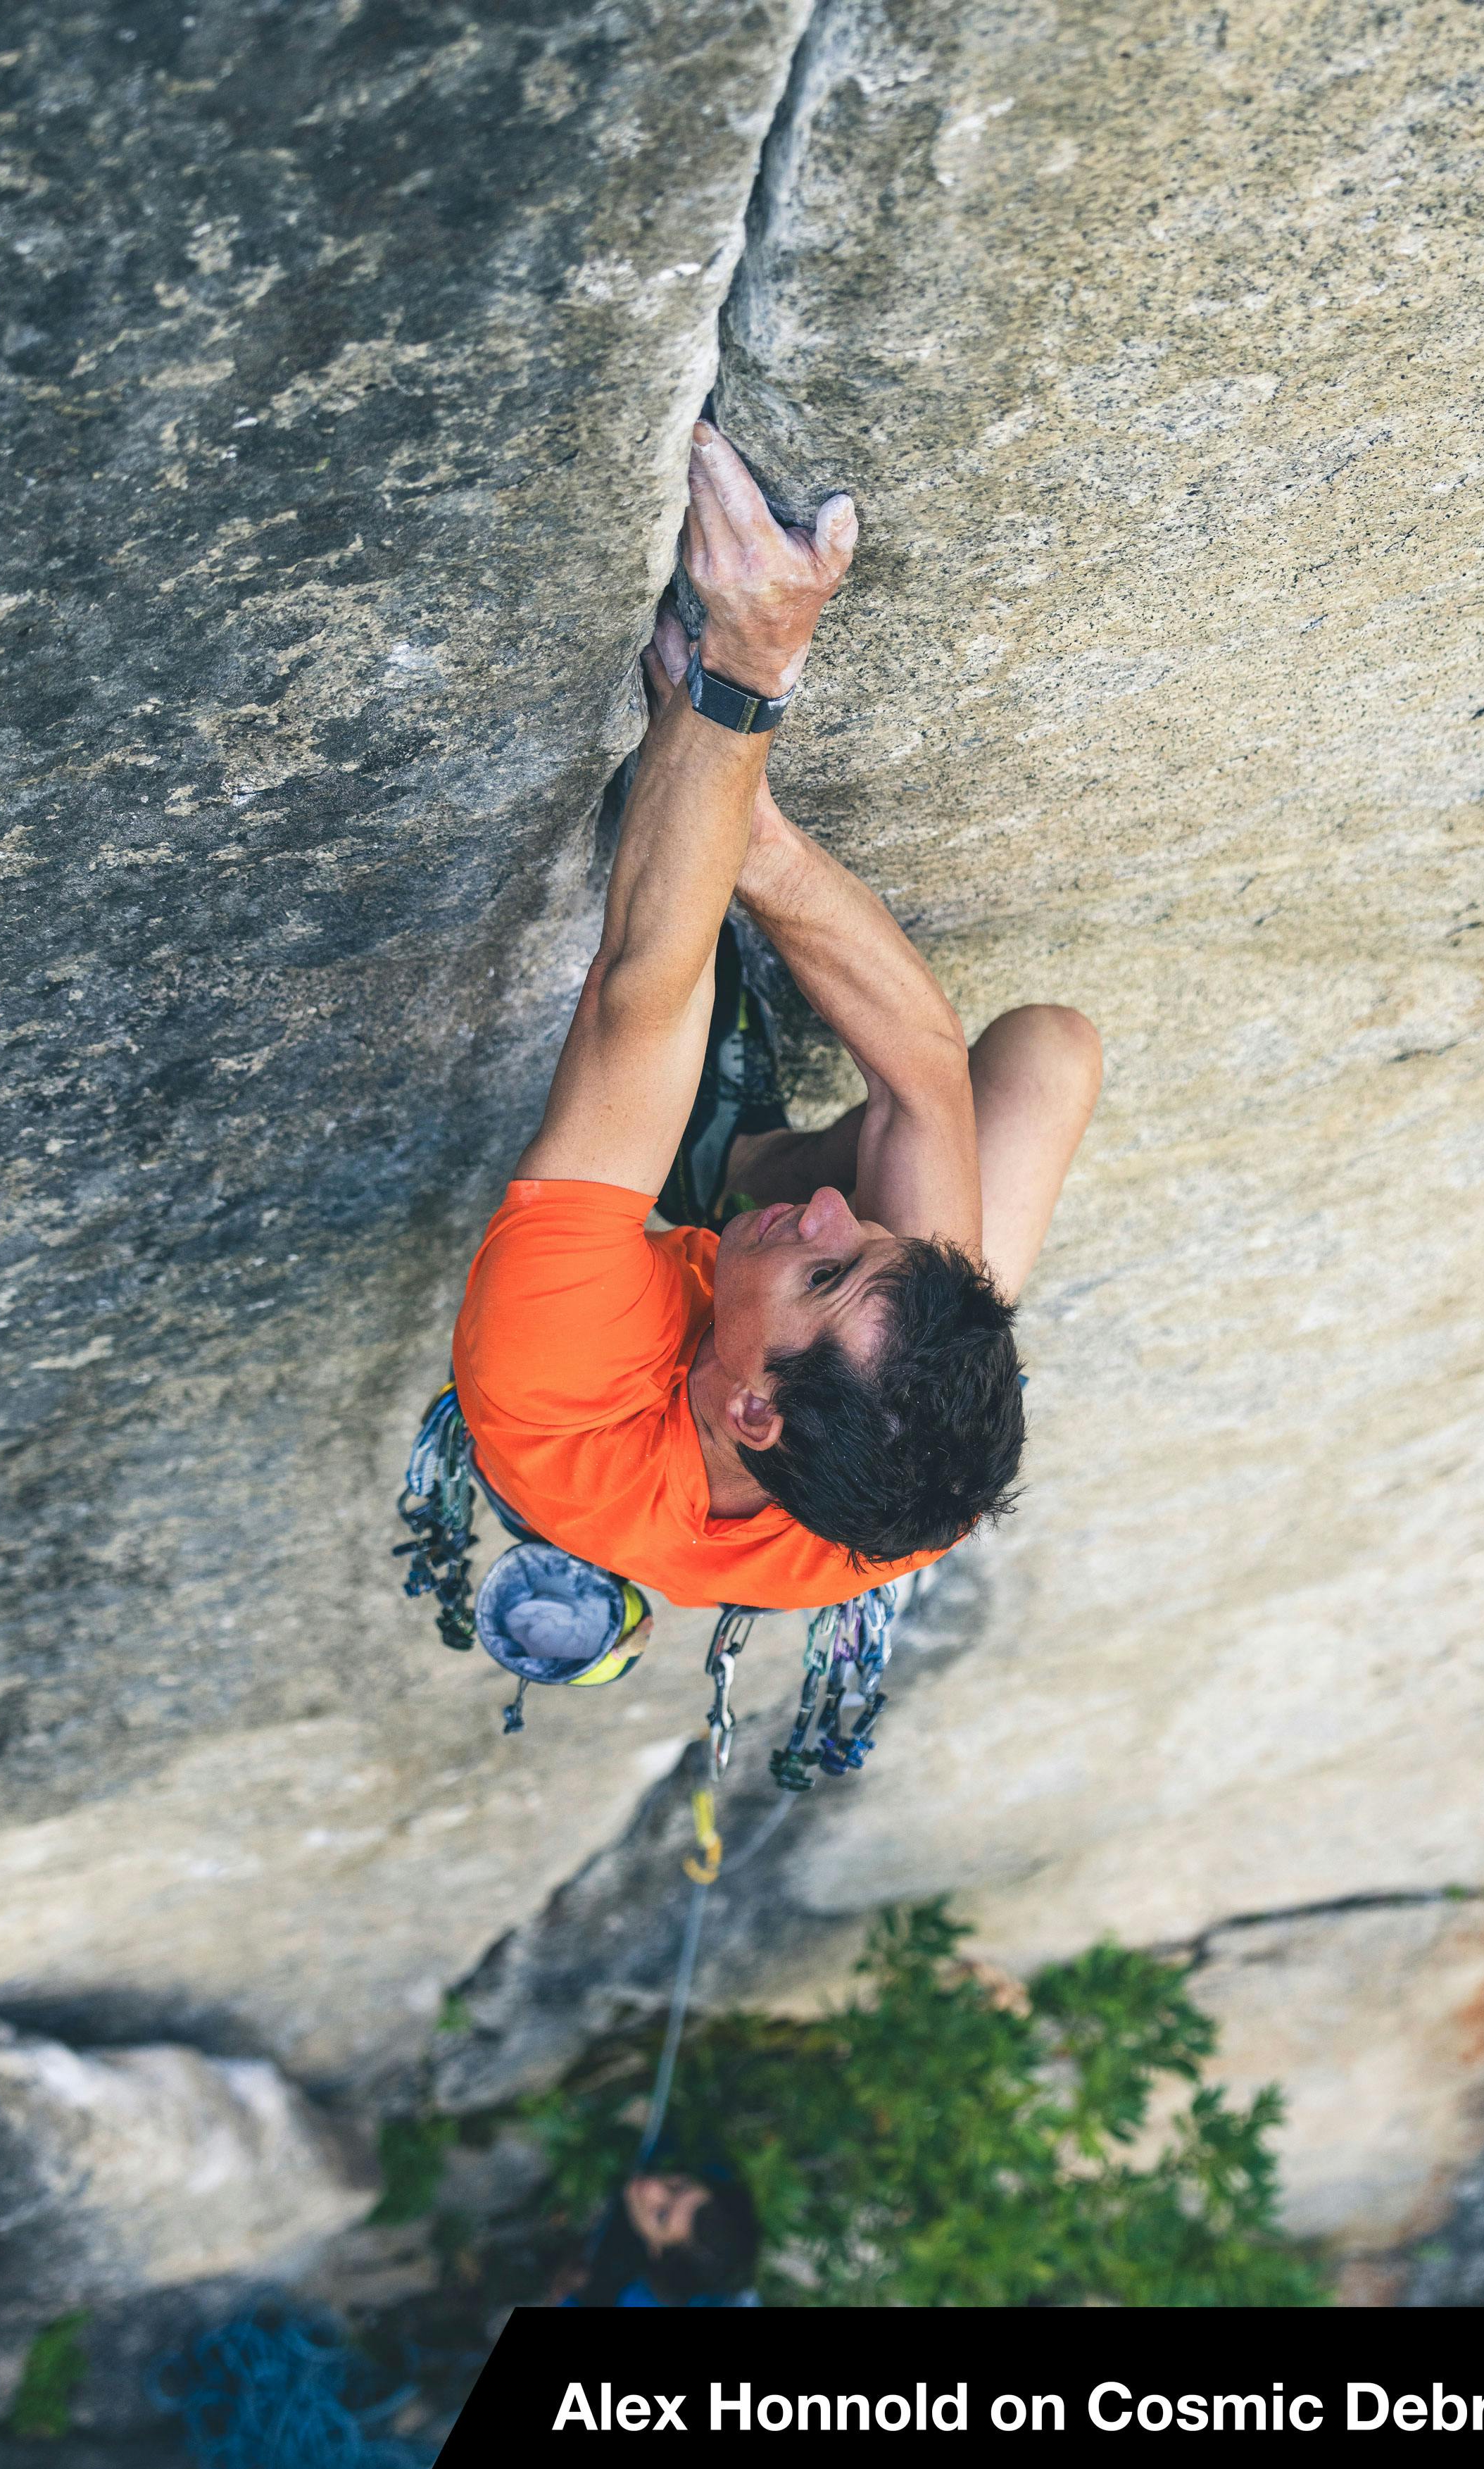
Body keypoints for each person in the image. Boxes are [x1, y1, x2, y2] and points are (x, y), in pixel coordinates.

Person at [452, 420, 1100, 1609]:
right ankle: (739, 1157)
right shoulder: (908, 1496)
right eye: (867, 1242)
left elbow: (644, 987)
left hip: (605, 1392)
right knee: (1049, 1056)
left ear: (751, 1406)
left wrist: (745, 672)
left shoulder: (563, 1388)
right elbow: (924, 1082)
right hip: (765, 1359)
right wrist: (754, 843)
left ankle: (701, 1164)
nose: (832, 1215)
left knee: (663, 1028)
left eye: (825, 1274)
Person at [562, 2169, 760, 2309]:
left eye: (661, 2215)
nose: (652, 2187)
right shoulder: (718, 2176)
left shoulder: (638, 2300)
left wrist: (570, 2295)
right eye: (679, 2187)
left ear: (656, 2251)